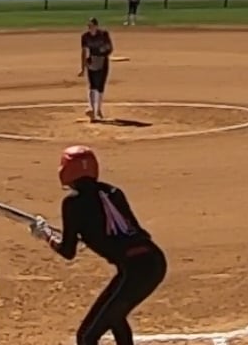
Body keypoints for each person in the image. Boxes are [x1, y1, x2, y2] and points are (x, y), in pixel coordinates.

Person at [35, 145, 167, 345]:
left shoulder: (73, 203)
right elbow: (121, 231)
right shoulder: (113, 192)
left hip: (135, 272)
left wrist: (46, 234)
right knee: (115, 317)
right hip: (153, 261)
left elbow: (68, 251)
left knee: (86, 337)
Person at [79, 19, 115, 123]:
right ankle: (92, 109)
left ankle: (98, 109)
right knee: (92, 85)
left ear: (96, 26)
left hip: (103, 61)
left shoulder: (103, 34)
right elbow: (84, 52)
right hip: (91, 61)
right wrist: (83, 68)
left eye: (91, 25)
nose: (89, 28)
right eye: (88, 26)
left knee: (100, 86)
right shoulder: (85, 36)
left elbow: (110, 48)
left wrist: (102, 52)